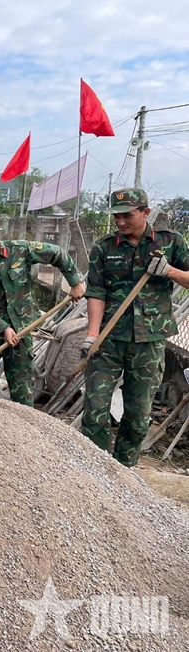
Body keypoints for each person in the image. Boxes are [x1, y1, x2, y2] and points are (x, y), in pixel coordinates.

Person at [81, 188, 189, 466]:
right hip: (108, 340)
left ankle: (124, 469)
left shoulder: (170, 242)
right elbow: (96, 293)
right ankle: (94, 467)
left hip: (149, 342)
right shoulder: (104, 248)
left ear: (145, 212)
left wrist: (170, 271)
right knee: (94, 410)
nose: (120, 222)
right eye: (116, 216)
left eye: (127, 215)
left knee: (138, 414)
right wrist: (92, 335)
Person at [0, 215, 85, 406]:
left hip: (21, 331)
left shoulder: (20, 250)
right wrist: (3, 328)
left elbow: (58, 254)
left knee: (22, 393)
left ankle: (23, 424)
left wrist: (75, 282)